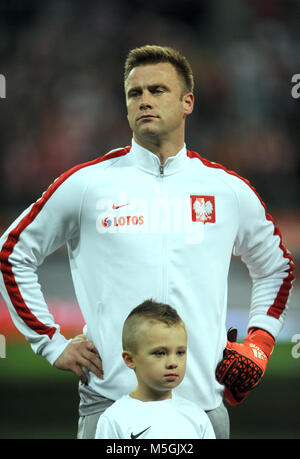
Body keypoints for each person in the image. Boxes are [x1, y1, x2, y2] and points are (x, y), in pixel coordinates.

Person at [0, 45, 295, 440]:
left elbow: (276, 265)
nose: (144, 101)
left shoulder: (227, 191)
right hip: (109, 406)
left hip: (203, 407)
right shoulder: (88, 184)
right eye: (134, 93)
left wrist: (259, 342)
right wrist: (50, 343)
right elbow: (12, 251)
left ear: (187, 102)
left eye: (157, 90)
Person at [95, 299, 215, 439]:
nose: (173, 363)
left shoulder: (197, 418)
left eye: (180, 352)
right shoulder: (114, 419)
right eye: (160, 353)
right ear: (130, 359)